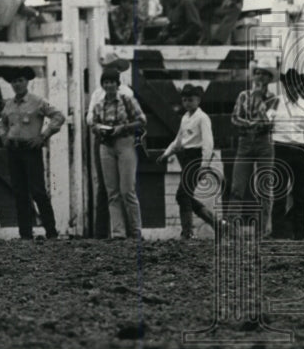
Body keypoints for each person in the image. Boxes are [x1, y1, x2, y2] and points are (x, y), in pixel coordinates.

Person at [0, 66, 65, 240]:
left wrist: (43, 136)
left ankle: (51, 232)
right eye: (14, 81)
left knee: (38, 192)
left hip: (30, 150)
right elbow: (2, 122)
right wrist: (4, 137)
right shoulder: (9, 104)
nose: (17, 84)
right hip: (14, 151)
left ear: (27, 82)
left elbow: (58, 116)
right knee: (20, 193)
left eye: (20, 80)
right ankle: (25, 234)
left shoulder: (39, 101)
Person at [89, 69, 146, 240]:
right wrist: (99, 130)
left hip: (125, 143)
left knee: (127, 189)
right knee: (112, 191)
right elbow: (93, 125)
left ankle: (136, 231)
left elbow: (141, 121)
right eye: (106, 82)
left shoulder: (127, 101)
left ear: (117, 84)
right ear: (103, 85)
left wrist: (124, 128)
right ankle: (118, 232)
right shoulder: (99, 105)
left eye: (112, 82)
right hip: (106, 145)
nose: (109, 85)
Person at [157, 84, 217, 238]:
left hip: (196, 159)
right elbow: (178, 140)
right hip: (185, 158)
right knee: (185, 195)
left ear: (198, 100)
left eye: (190, 100)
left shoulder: (203, 118)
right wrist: (166, 154)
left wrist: (204, 166)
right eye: (184, 100)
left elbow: (208, 143)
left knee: (183, 195)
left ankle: (187, 232)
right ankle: (217, 224)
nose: (187, 103)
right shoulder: (185, 117)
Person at [85, 54, 135, 238]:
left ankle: (128, 231)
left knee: (125, 185)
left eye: (117, 71)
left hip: (122, 137)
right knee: (105, 185)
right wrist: (100, 124)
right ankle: (102, 231)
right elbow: (90, 117)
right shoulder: (98, 94)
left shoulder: (127, 93)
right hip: (104, 137)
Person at [230, 64, 279, 234]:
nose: (259, 76)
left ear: (269, 79)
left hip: (264, 143)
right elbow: (234, 118)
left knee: (265, 186)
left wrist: (258, 101)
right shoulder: (243, 95)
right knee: (237, 186)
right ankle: (232, 228)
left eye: (264, 74)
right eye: (257, 73)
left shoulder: (273, 99)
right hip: (245, 142)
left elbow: (268, 122)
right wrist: (251, 124)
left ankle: (262, 230)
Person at [271, 69, 304, 240]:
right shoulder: (275, 103)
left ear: (299, 85)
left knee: (300, 193)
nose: (292, 88)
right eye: (289, 84)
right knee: (279, 192)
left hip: (300, 150)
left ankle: (300, 233)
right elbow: (265, 124)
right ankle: (278, 233)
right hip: (281, 149)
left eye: (295, 84)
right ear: (285, 86)